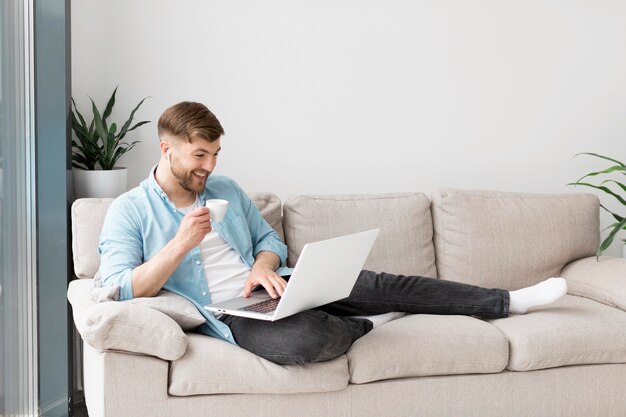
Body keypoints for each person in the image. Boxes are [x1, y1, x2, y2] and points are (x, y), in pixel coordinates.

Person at [98, 101, 568, 365]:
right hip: (231, 315)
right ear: (167, 149)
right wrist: (182, 243)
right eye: (200, 155)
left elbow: (269, 243)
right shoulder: (130, 211)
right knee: (301, 343)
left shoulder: (224, 188)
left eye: (216, 154)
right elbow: (117, 289)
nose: (210, 166)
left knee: (387, 283)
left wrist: (264, 269)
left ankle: (507, 302)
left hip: (279, 284)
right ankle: (367, 323)